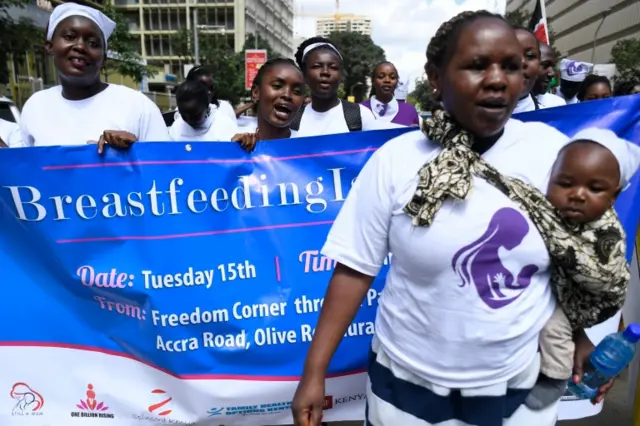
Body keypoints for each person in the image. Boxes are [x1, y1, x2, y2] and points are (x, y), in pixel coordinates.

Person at [291, 10, 615, 426]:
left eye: (511, 67)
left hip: (517, 393)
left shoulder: (556, 156)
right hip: (403, 390)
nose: (498, 79)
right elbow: (354, 270)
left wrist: (584, 336)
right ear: (436, 76)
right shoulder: (396, 161)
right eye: (478, 65)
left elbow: (582, 258)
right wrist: (314, 373)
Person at [525, 128, 640, 409]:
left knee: (554, 327)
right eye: (565, 183)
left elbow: (600, 277)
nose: (577, 195)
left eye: (594, 189)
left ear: (613, 197)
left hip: (583, 302)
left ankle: (554, 378)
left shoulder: (606, 231)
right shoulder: (547, 209)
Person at [18, 2, 169, 151]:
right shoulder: (35, 107)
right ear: (50, 46)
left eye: (93, 43)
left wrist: (136, 152)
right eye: (70, 37)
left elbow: (166, 167)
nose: (80, 47)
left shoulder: (137, 106)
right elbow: (26, 169)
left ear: (104, 59)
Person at [291, 37, 378, 137]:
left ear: (341, 75)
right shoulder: (292, 119)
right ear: (304, 75)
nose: (325, 72)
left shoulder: (361, 116)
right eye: (316, 66)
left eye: (333, 67)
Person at [232, 58, 305, 152]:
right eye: (277, 86)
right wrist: (232, 152)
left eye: (297, 91)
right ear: (256, 92)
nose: (287, 95)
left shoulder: (312, 149)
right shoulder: (235, 141)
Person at [168, 80, 238, 141]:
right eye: (184, 116)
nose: (189, 120)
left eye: (195, 116)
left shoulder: (225, 126)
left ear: (207, 106)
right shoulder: (176, 129)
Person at [361, 62, 420, 127]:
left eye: (392, 77)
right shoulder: (359, 110)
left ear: (397, 82)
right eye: (381, 77)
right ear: (373, 81)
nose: (387, 80)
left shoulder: (410, 111)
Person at [513, 27, 541, 113]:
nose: (521, 62)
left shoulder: (557, 121)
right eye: (512, 55)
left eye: (530, 56)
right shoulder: (473, 123)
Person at [533, 43, 566, 108]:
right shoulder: (509, 104)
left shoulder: (558, 105)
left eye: (553, 67)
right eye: (545, 65)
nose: (552, 73)